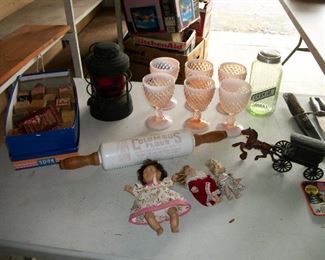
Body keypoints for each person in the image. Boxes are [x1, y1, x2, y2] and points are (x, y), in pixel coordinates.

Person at [124, 159, 191, 235]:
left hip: (166, 203)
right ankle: (158, 228)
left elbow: (172, 179)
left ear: (159, 174)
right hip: (150, 208)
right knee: (148, 216)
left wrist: (182, 173)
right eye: (145, 172)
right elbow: (137, 193)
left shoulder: (162, 183)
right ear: (143, 179)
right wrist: (130, 190)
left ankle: (174, 226)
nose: (148, 172)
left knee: (173, 211)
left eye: (151, 170)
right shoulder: (142, 189)